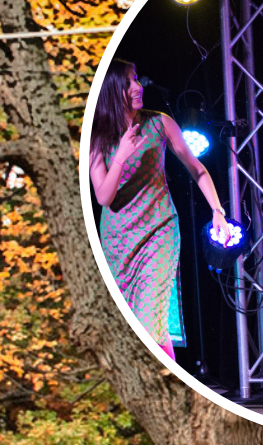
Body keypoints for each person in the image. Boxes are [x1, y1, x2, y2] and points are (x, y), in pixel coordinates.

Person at [89, 60, 232, 360]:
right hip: (118, 243)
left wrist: (217, 210)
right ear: (112, 90)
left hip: (159, 232)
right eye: (129, 82)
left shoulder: (159, 123)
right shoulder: (97, 136)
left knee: (149, 320)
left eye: (137, 79)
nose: (138, 87)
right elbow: (103, 196)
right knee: (142, 330)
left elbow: (198, 170)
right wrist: (121, 156)